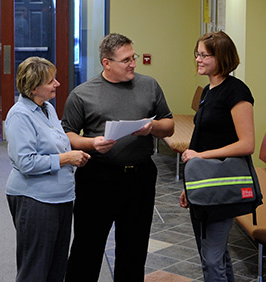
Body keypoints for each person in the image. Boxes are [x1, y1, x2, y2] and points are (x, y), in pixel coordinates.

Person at [62, 33, 174, 281]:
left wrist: (152, 128)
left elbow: (169, 124)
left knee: (133, 250)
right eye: (126, 60)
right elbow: (67, 134)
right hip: (98, 179)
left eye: (133, 57)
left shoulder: (150, 85)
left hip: (140, 179)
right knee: (87, 248)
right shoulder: (82, 94)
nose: (133, 63)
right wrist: (91, 143)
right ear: (107, 63)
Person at [5, 57, 91, 282]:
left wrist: (75, 154)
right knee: (34, 269)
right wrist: (65, 158)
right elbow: (26, 163)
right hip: (35, 199)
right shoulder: (19, 115)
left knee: (56, 266)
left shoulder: (47, 108)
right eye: (51, 80)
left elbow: (57, 143)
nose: (58, 84)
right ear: (34, 88)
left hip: (61, 197)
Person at [179, 31, 256, 282]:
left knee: (212, 259)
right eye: (197, 54)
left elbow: (247, 144)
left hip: (223, 182)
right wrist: (188, 185)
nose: (198, 60)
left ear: (221, 57)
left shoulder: (237, 92)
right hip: (203, 181)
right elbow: (200, 136)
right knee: (213, 255)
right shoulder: (208, 90)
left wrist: (200, 155)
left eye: (204, 55)